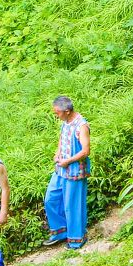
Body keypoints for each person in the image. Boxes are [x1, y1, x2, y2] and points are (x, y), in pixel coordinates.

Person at [41, 97, 90, 251]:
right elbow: (62, 140)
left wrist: (68, 161)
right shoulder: (65, 122)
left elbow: (85, 151)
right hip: (60, 170)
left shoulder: (81, 126)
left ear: (67, 111)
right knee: (51, 199)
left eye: (57, 112)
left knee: (72, 205)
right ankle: (60, 231)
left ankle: (76, 239)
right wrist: (57, 154)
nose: (56, 115)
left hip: (74, 171)